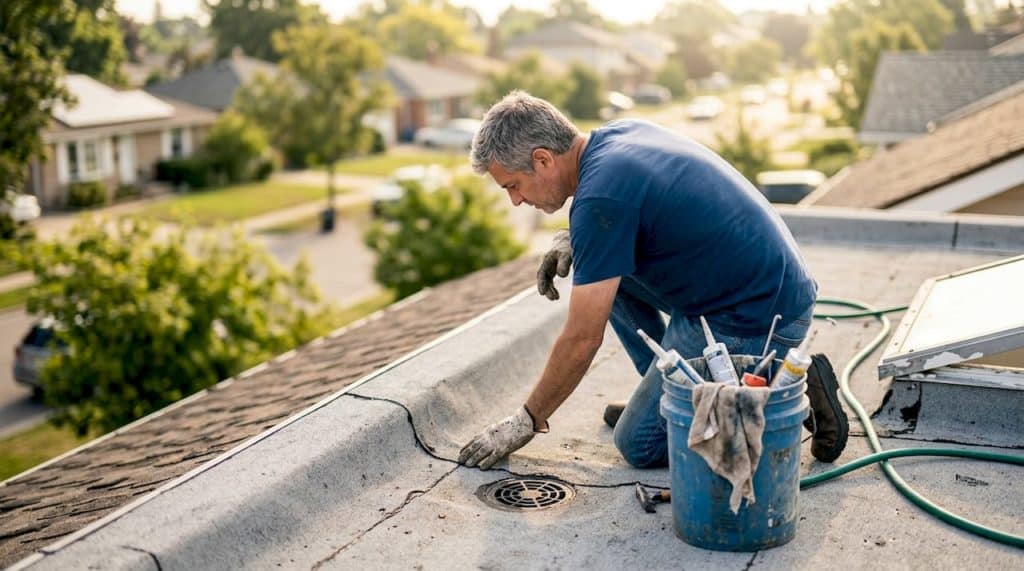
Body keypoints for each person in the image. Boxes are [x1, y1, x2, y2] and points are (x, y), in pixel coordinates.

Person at [457, 91, 848, 470]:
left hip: (756, 317)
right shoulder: (617, 137)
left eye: (512, 185)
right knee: (603, 267)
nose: (515, 200)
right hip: (760, 288)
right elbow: (625, 212)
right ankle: (665, 395)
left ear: (542, 160)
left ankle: (785, 384)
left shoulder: (600, 201)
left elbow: (581, 339)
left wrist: (526, 420)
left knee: (637, 444)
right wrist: (574, 238)